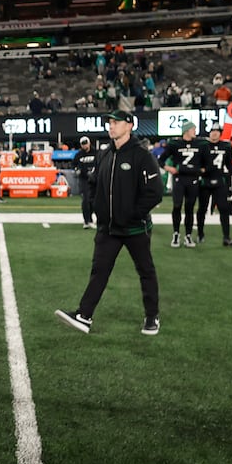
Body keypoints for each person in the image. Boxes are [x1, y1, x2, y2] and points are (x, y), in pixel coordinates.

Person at [55, 109, 163, 335]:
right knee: (99, 271)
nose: (111, 126)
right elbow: (93, 183)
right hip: (109, 228)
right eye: (110, 123)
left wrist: (133, 214)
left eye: (116, 122)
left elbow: (154, 193)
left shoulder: (142, 155)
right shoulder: (105, 154)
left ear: (129, 125)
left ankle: (152, 317)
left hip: (135, 227)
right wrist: (97, 208)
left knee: (146, 271)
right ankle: (84, 316)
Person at [158, 119, 207, 248]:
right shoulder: (175, 144)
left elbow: (206, 162)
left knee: (190, 208)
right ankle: (176, 233)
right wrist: (170, 169)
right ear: (186, 131)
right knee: (177, 206)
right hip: (179, 179)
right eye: (193, 129)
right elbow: (161, 161)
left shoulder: (200, 144)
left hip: (193, 179)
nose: (195, 131)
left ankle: (188, 235)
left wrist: (202, 169)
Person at [197, 124, 232, 246]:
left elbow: (229, 164)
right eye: (212, 131)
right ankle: (200, 234)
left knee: (224, 208)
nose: (214, 133)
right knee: (202, 209)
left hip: (219, 180)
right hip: (205, 180)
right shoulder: (203, 145)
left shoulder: (225, 146)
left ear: (220, 133)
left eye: (217, 131)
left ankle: (226, 237)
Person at [72, 136, 96, 229]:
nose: (85, 146)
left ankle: (91, 219)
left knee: (93, 201)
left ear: (89, 143)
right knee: (86, 200)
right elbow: (73, 164)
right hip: (84, 179)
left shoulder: (96, 153)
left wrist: (95, 172)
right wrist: (77, 170)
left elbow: (100, 162)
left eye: (86, 144)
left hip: (94, 179)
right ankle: (87, 221)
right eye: (83, 144)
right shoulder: (79, 154)